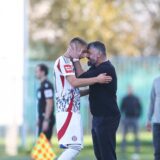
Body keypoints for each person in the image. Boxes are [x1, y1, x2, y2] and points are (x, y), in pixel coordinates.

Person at [54, 37, 112, 160]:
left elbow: (73, 91)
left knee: (75, 146)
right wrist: (97, 79)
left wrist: (92, 90)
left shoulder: (68, 62)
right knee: (75, 147)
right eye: (83, 51)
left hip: (72, 110)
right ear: (73, 48)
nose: (85, 55)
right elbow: (75, 83)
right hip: (67, 110)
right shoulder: (63, 61)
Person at [72, 41, 121, 160]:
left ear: (99, 53)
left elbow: (80, 78)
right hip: (99, 117)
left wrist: (75, 59)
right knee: (99, 154)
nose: (87, 56)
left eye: (90, 53)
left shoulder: (106, 68)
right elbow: (87, 81)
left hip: (107, 117)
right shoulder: (96, 68)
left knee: (107, 155)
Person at [35, 64, 55, 143]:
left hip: (46, 118)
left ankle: (47, 156)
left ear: (43, 72)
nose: (36, 73)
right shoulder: (42, 85)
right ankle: (47, 156)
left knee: (44, 142)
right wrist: (39, 119)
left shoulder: (47, 85)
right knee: (44, 143)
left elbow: (49, 103)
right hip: (42, 118)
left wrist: (46, 120)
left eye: (37, 71)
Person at [120, 85, 142, 152]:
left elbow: (140, 108)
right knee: (124, 134)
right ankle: (123, 148)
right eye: (129, 89)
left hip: (134, 118)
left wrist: (138, 115)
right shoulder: (124, 98)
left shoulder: (136, 98)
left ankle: (137, 148)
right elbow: (121, 108)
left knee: (136, 134)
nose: (130, 90)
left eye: (131, 89)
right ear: (127, 90)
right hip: (126, 118)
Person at [146, 76, 160, 160]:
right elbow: (152, 101)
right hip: (156, 122)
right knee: (157, 151)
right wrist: (148, 119)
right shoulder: (156, 81)